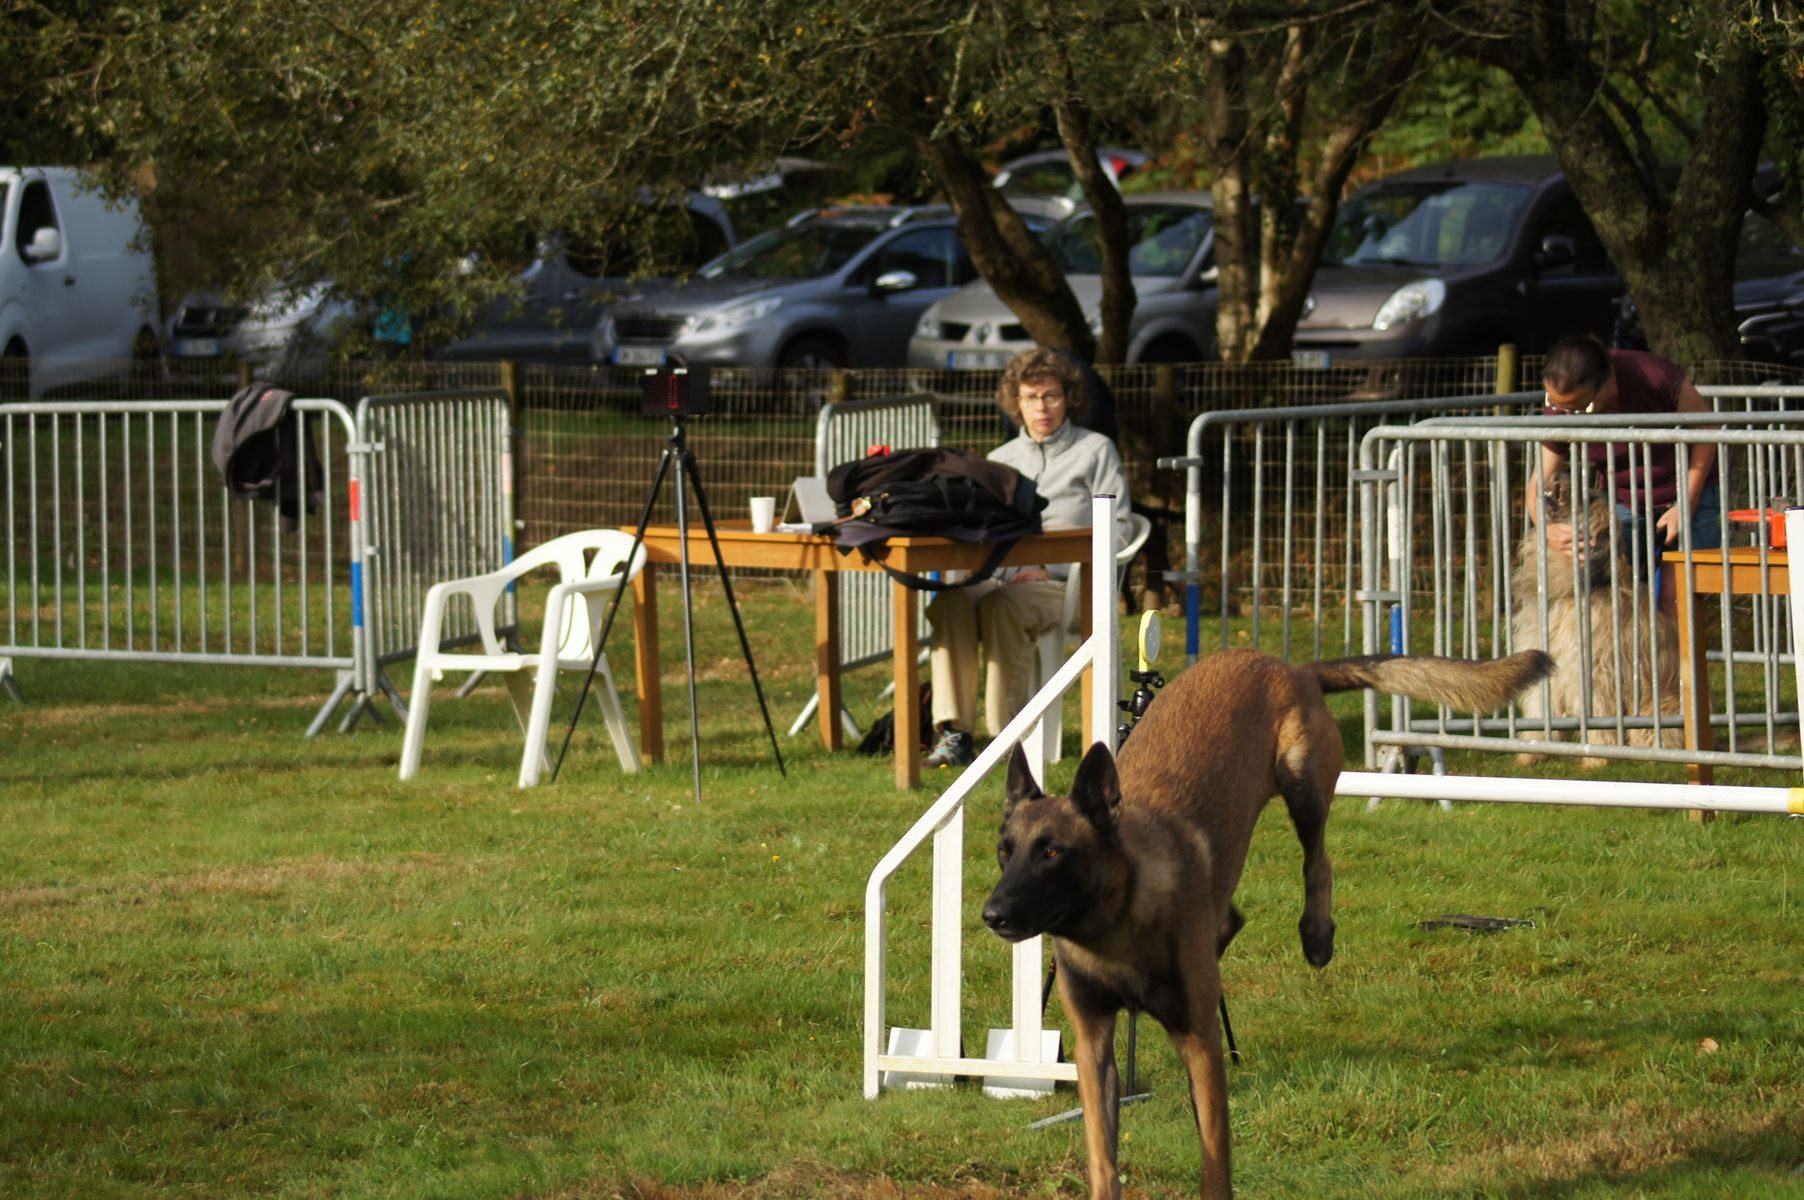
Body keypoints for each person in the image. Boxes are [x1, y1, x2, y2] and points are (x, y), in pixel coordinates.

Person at [921, 348, 1132, 769]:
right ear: (1015, 403)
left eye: (1051, 395)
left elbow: (1121, 528)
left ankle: (1006, 737)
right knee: (949, 602)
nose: (1042, 407)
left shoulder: (1095, 450)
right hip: (1000, 577)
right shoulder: (1000, 461)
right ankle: (956, 733)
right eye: (1031, 397)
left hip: (1067, 585)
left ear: (1067, 397)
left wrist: (1048, 568)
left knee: (1003, 607)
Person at [1528, 333, 1719, 616]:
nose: (1565, 416)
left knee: (1675, 598)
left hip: (1692, 492)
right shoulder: (1561, 410)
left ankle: (1680, 661)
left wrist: (1685, 505)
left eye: (1580, 409)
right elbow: (1537, 482)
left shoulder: (1654, 376)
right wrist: (1546, 528)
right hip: (1626, 502)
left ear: (1609, 383)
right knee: (1617, 597)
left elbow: (1707, 429)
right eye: (1556, 405)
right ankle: (1630, 659)